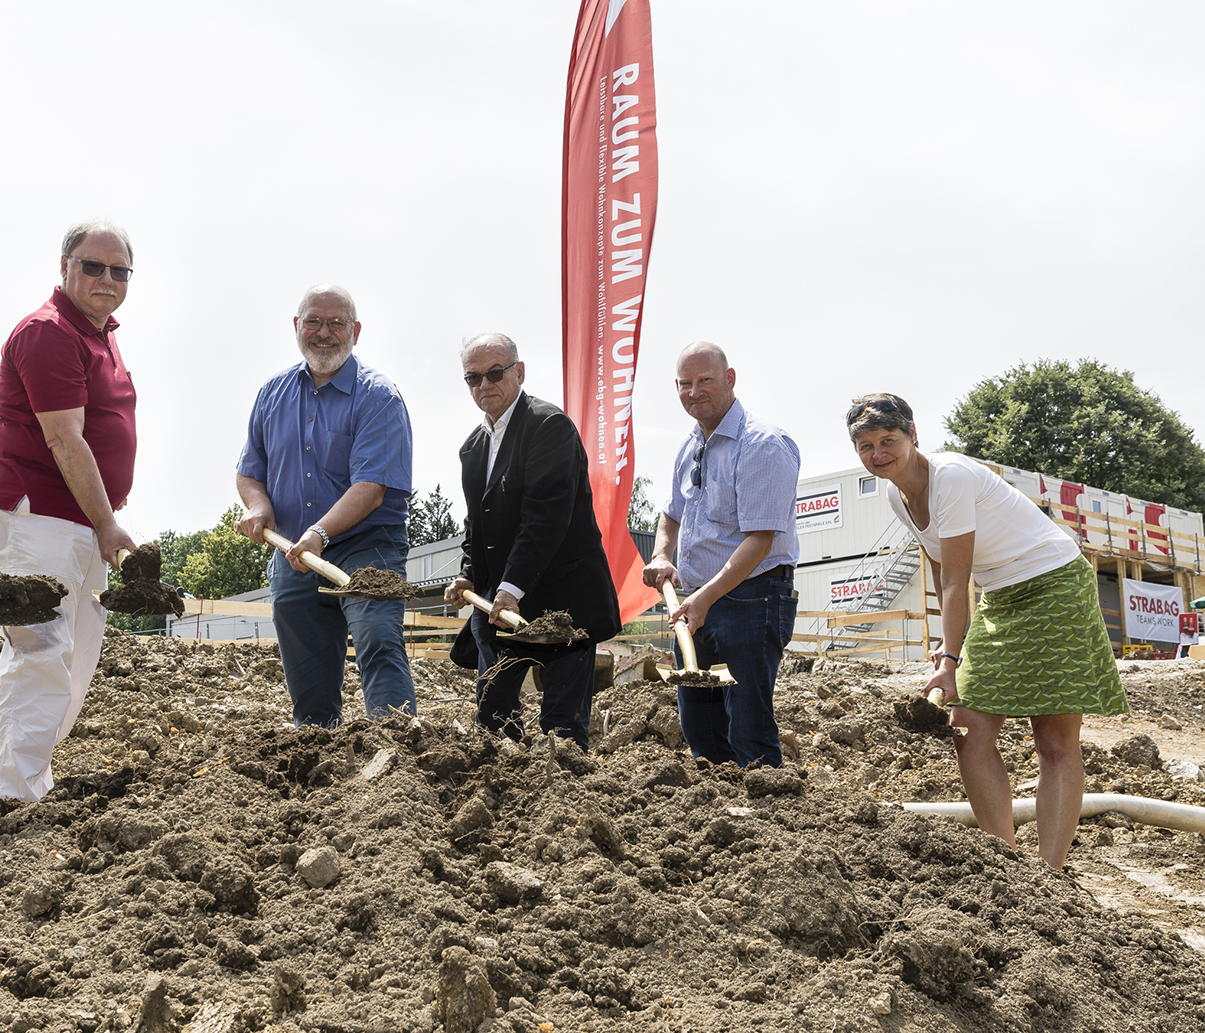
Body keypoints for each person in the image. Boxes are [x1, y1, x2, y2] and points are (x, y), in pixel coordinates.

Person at [848, 392, 1126, 870]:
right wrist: (947, 645)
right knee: (968, 730)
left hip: (1054, 583)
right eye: (866, 446)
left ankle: (1049, 876)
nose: (879, 454)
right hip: (1002, 594)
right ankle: (1007, 865)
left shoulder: (951, 477)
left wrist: (950, 661)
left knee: (1053, 740)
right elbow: (940, 568)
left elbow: (959, 581)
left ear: (913, 435)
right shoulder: (896, 494)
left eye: (888, 440)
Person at [0, 221, 139, 823]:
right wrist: (107, 522)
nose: (106, 279)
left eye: (119, 270)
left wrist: (104, 516)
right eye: (93, 266)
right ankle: (11, 810)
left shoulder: (100, 334)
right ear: (65, 266)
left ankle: (30, 792)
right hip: (39, 513)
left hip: (78, 521)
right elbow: (64, 438)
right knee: (39, 653)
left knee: (73, 661)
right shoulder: (49, 331)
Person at [235, 285, 417, 726]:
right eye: (313, 322)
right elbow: (249, 472)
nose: (324, 332)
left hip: (368, 544)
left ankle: (397, 745)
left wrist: (320, 533)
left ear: (355, 331)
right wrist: (258, 506)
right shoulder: (272, 394)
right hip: (294, 552)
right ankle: (317, 745)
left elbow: (371, 487)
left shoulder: (378, 396)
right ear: (297, 326)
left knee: (377, 638)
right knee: (307, 667)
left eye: (336, 323)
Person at [443, 333, 621, 749]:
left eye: (495, 373)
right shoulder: (473, 448)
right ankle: (506, 785)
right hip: (501, 609)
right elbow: (478, 525)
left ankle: (565, 789)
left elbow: (545, 519)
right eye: (473, 378)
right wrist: (470, 575)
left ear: (519, 372)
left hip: (563, 603)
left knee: (562, 727)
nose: (484, 384)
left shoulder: (548, 427)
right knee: (493, 718)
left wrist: (510, 588)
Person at [642, 341, 800, 767]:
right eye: (685, 384)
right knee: (701, 730)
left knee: (747, 728)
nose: (694, 392)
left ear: (730, 379)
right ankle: (720, 807)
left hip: (752, 598)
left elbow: (760, 540)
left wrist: (704, 598)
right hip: (700, 602)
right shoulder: (690, 446)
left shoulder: (762, 444)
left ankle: (769, 803)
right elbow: (670, 514)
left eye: (705, 380)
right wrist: (661, 554)